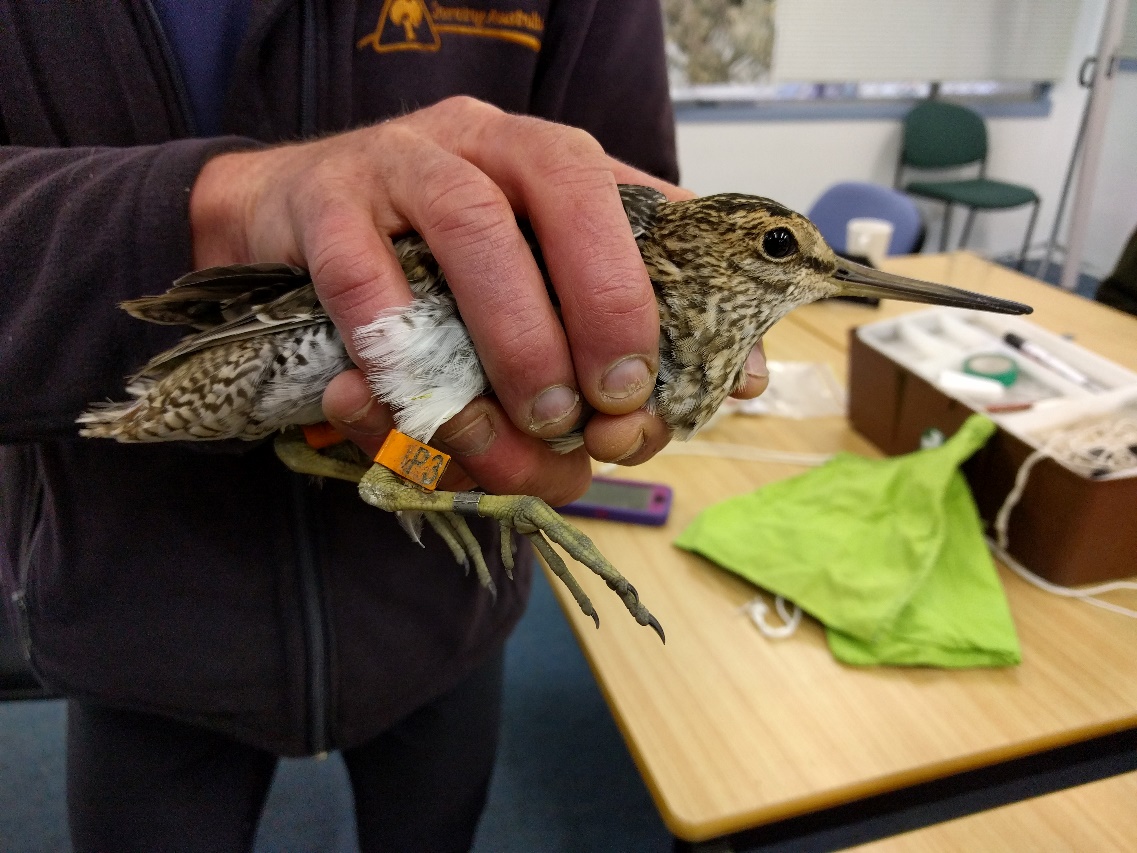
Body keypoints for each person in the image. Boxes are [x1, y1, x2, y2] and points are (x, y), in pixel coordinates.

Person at [0, 3, 767, 850]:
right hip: (138, 615)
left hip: (444, 618)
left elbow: (617, 194)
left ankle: (420, 479)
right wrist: (228, 201)